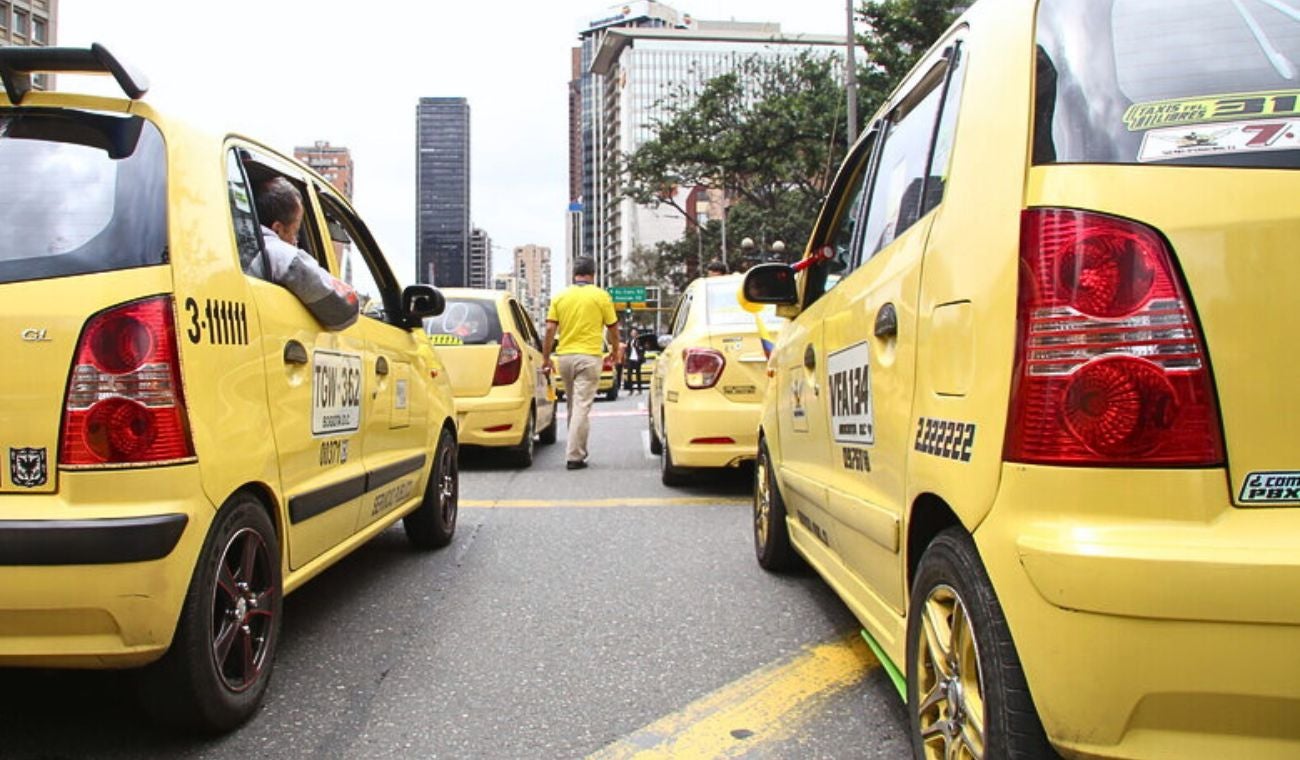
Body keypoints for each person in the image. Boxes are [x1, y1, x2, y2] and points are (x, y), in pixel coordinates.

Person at [542, 257, 621, 470]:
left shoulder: (560, 297)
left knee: (572, 405)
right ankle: (575, 455)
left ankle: (577, 450)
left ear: (574, 274)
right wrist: (615, 351)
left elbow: (550, 329)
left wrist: (546, 357)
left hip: (565, 358)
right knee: (581, 406)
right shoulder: (601, 296)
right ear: (593, 274)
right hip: (589, 357)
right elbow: (613, 329)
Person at [255, 177, 359, 331]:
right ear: (277, 229)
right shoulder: (283, 256)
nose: (296, 240)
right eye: (295, 231)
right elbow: (344, 311)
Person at [625, 327, 644, 394]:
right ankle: (631, 390)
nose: (633, 334)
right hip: (631, 359)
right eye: (632, 333)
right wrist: (627, 357)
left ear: (636, 334)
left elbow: (642, 350)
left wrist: (640, 358)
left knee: (637, 374)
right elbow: (627, 350)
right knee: (629, 374)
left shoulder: (639, 340)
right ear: (630, 334)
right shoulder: (629, 341)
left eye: (634, 333)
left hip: (637, 359)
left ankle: (639, 389)